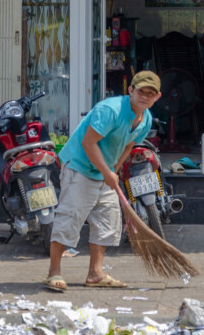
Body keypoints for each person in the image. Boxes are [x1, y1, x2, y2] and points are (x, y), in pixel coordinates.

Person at [44, 71, 162, 291]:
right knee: (70, 219)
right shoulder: (111, 110)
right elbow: (89, 143)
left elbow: (128, 146)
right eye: (141, 91)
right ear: (130, 90)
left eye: (150, 93)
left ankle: (95, 274)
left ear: (157, 96)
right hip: (79, 166)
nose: (144, 96)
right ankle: (54, 272)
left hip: (104, 170)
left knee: (107, 221)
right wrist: (107, 173)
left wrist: (113, 171)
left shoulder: (145, 119)